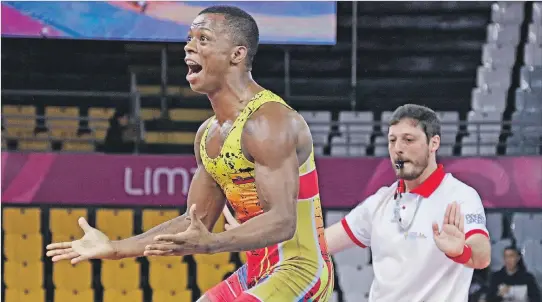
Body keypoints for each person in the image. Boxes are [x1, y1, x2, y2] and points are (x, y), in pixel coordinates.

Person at [46, 5, 334, 302]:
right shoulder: (208, 135)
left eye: (203, 39)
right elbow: (193, 222)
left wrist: (213, 244)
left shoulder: (268, 122)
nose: (188, 46)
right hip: (257, 271)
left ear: (237, 54)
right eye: (189, 38)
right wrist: (115, 249)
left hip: (301, 271)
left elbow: (282, 222)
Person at [224, 104, 493, 301]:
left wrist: (461, 251)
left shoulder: (459, 195)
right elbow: (317, 245)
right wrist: (255, 236)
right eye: (392, 140)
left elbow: (482, 255)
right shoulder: (379, 203)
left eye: (409, 140)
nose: (398, 148)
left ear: (434, 143)